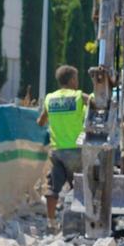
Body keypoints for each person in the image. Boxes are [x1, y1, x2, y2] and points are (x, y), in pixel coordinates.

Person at [37, 65, 90, 230]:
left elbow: (41, 121)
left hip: (56, 151)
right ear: (73, 80)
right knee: (80, 186)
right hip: (77, 150)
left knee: (53, 187)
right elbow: (96, 101)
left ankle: (51, 222)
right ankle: (80, 221)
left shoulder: (50, 98)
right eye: (77, 78)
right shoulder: (78, 96)